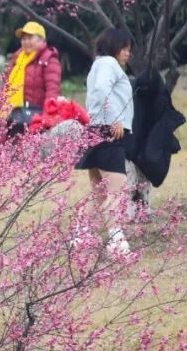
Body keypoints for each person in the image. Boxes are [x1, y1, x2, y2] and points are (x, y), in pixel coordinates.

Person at [76, 28, 136, 256]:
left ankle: (81, 236)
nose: (127, 54)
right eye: (125, 48)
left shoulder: (98, 65)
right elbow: (102, 90)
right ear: (113, 46)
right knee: (115, 191)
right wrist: (116, 119)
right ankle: (116, 240)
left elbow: (98, 92)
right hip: (109, 134)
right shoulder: (108, 63)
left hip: (96, 132)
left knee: (100, 193)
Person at [127, 67, 186, 221]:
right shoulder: (143, 95)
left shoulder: (155, 97)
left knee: (139, 177)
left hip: (140, 144)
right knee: (134, 178)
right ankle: (136, 212)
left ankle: (140, 212)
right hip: (135, 144)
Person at [1, 21, 62, 137]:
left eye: (30, 38)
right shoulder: (17, 59)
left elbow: (52, 90)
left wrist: (47, 116)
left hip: (36, 116)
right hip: (15, 115)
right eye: (23, 39)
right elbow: (6, 86)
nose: (26, 42)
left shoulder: (49, 59)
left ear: (41, 40)